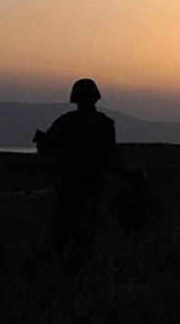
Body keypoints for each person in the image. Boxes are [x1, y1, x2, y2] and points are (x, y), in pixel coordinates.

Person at [34, 77, 117, 266]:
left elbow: (46, 148)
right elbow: (110, 155)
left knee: (66, 235)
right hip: (89, 186)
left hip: (71, 186)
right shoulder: (105, 123)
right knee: (86, 235)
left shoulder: (67, 122)